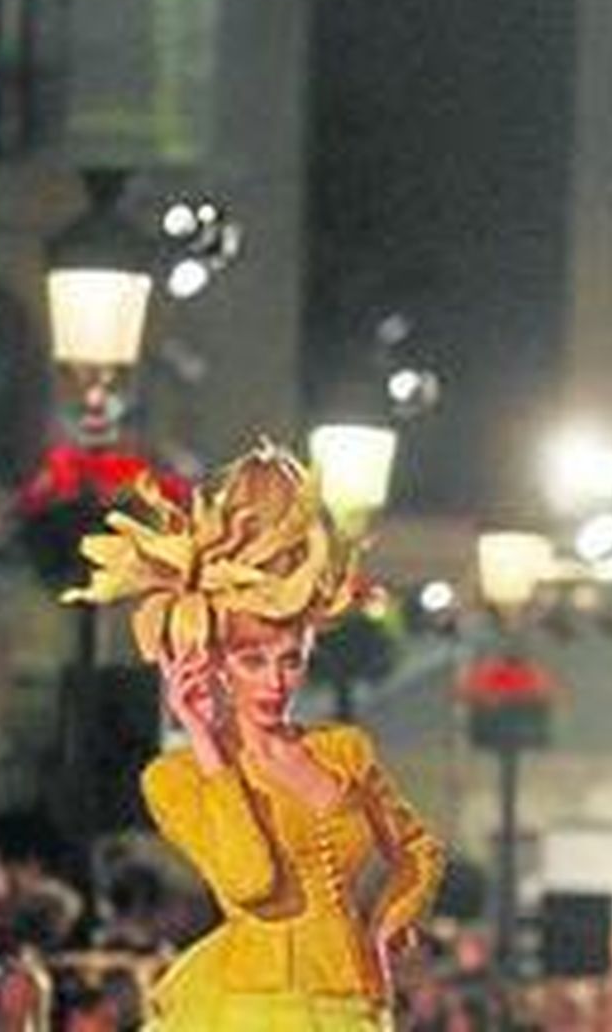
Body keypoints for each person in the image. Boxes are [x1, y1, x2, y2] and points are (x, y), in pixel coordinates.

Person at [67, 440, 446, 1029]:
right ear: (215, 661)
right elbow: (252, 881)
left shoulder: (342, 748)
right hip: (249, 1008)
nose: (275, 681)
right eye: (252, 660)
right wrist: (206, 742)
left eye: (290, 660)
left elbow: (419, 851)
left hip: (356, 1005)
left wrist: (383, 930)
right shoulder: (175, 777)